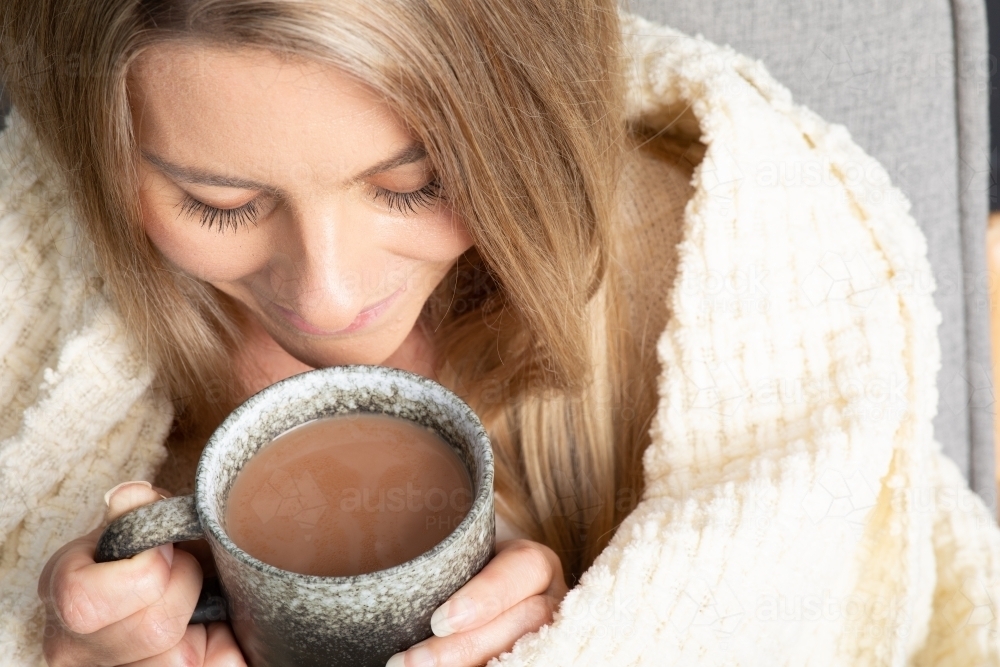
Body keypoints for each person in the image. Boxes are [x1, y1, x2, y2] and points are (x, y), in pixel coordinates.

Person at [1, 0, 999, 665]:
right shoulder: (54, 292)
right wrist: (69, 644)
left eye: (414, 184)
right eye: (219, 204)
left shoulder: (723, 272)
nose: (331, 295)